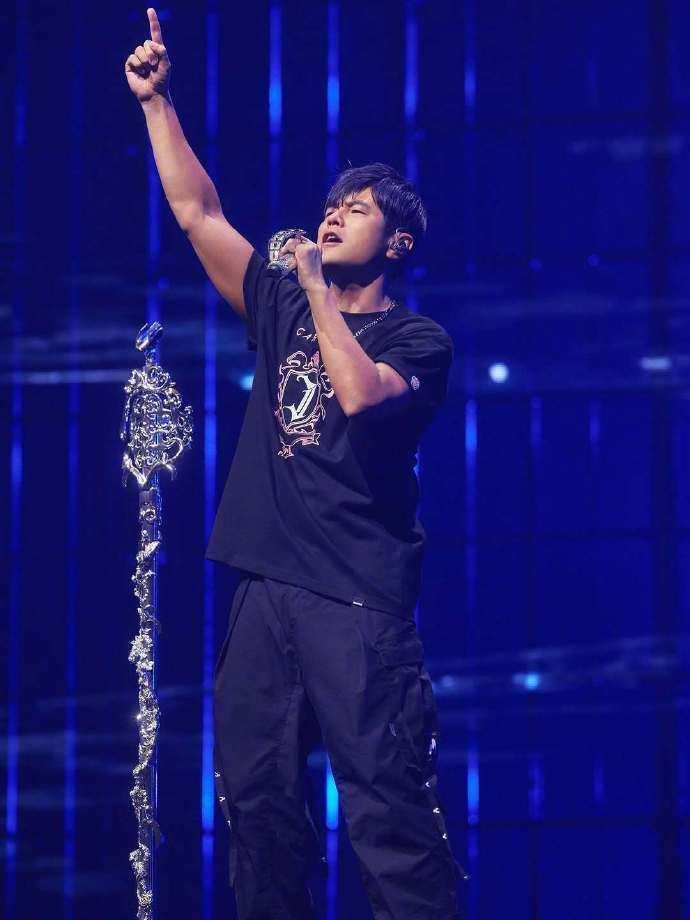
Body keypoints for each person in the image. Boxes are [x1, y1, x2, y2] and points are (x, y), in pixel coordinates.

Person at [126, 8, 467, 919]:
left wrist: (313, 285)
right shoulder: (280, 307)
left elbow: (358, 396)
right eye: (331, 204)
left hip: (356, 603)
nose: (333, 214)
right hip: (265, 591)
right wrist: (158, 104)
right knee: (257, 808)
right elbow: (199, 214)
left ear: (397, 244)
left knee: (388, 813)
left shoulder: (417, 339)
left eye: (356, 209)